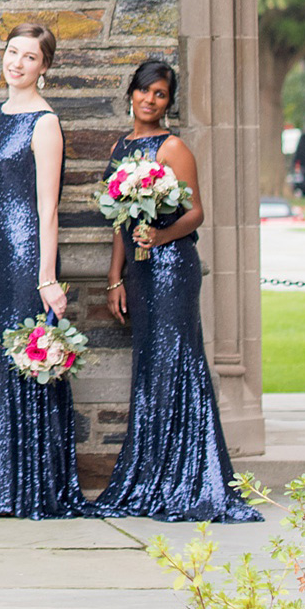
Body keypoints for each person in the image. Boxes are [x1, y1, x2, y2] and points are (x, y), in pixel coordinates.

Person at [94, 58, 259, 524]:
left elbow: (196, 213)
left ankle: (186, 476)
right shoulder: (119, 145)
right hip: (139, 272)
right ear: (131, 93)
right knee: (150, 365)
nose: (150, 100)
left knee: (176, 361)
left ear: (169, 101)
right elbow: (119, 222)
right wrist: (114, 278)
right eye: (145, 91)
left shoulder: (174, 147)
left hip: (170, 267)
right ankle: (150, 474)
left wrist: (159, 238)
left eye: (161, 94)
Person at [0, 20, 86, 518]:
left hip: (29, 258)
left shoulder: (45, 124)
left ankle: (29, 486)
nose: (17, 62)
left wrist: (46, 277)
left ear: (44, 67)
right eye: (12, 52)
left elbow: (45, 209)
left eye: (29, 56)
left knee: (27, 364)